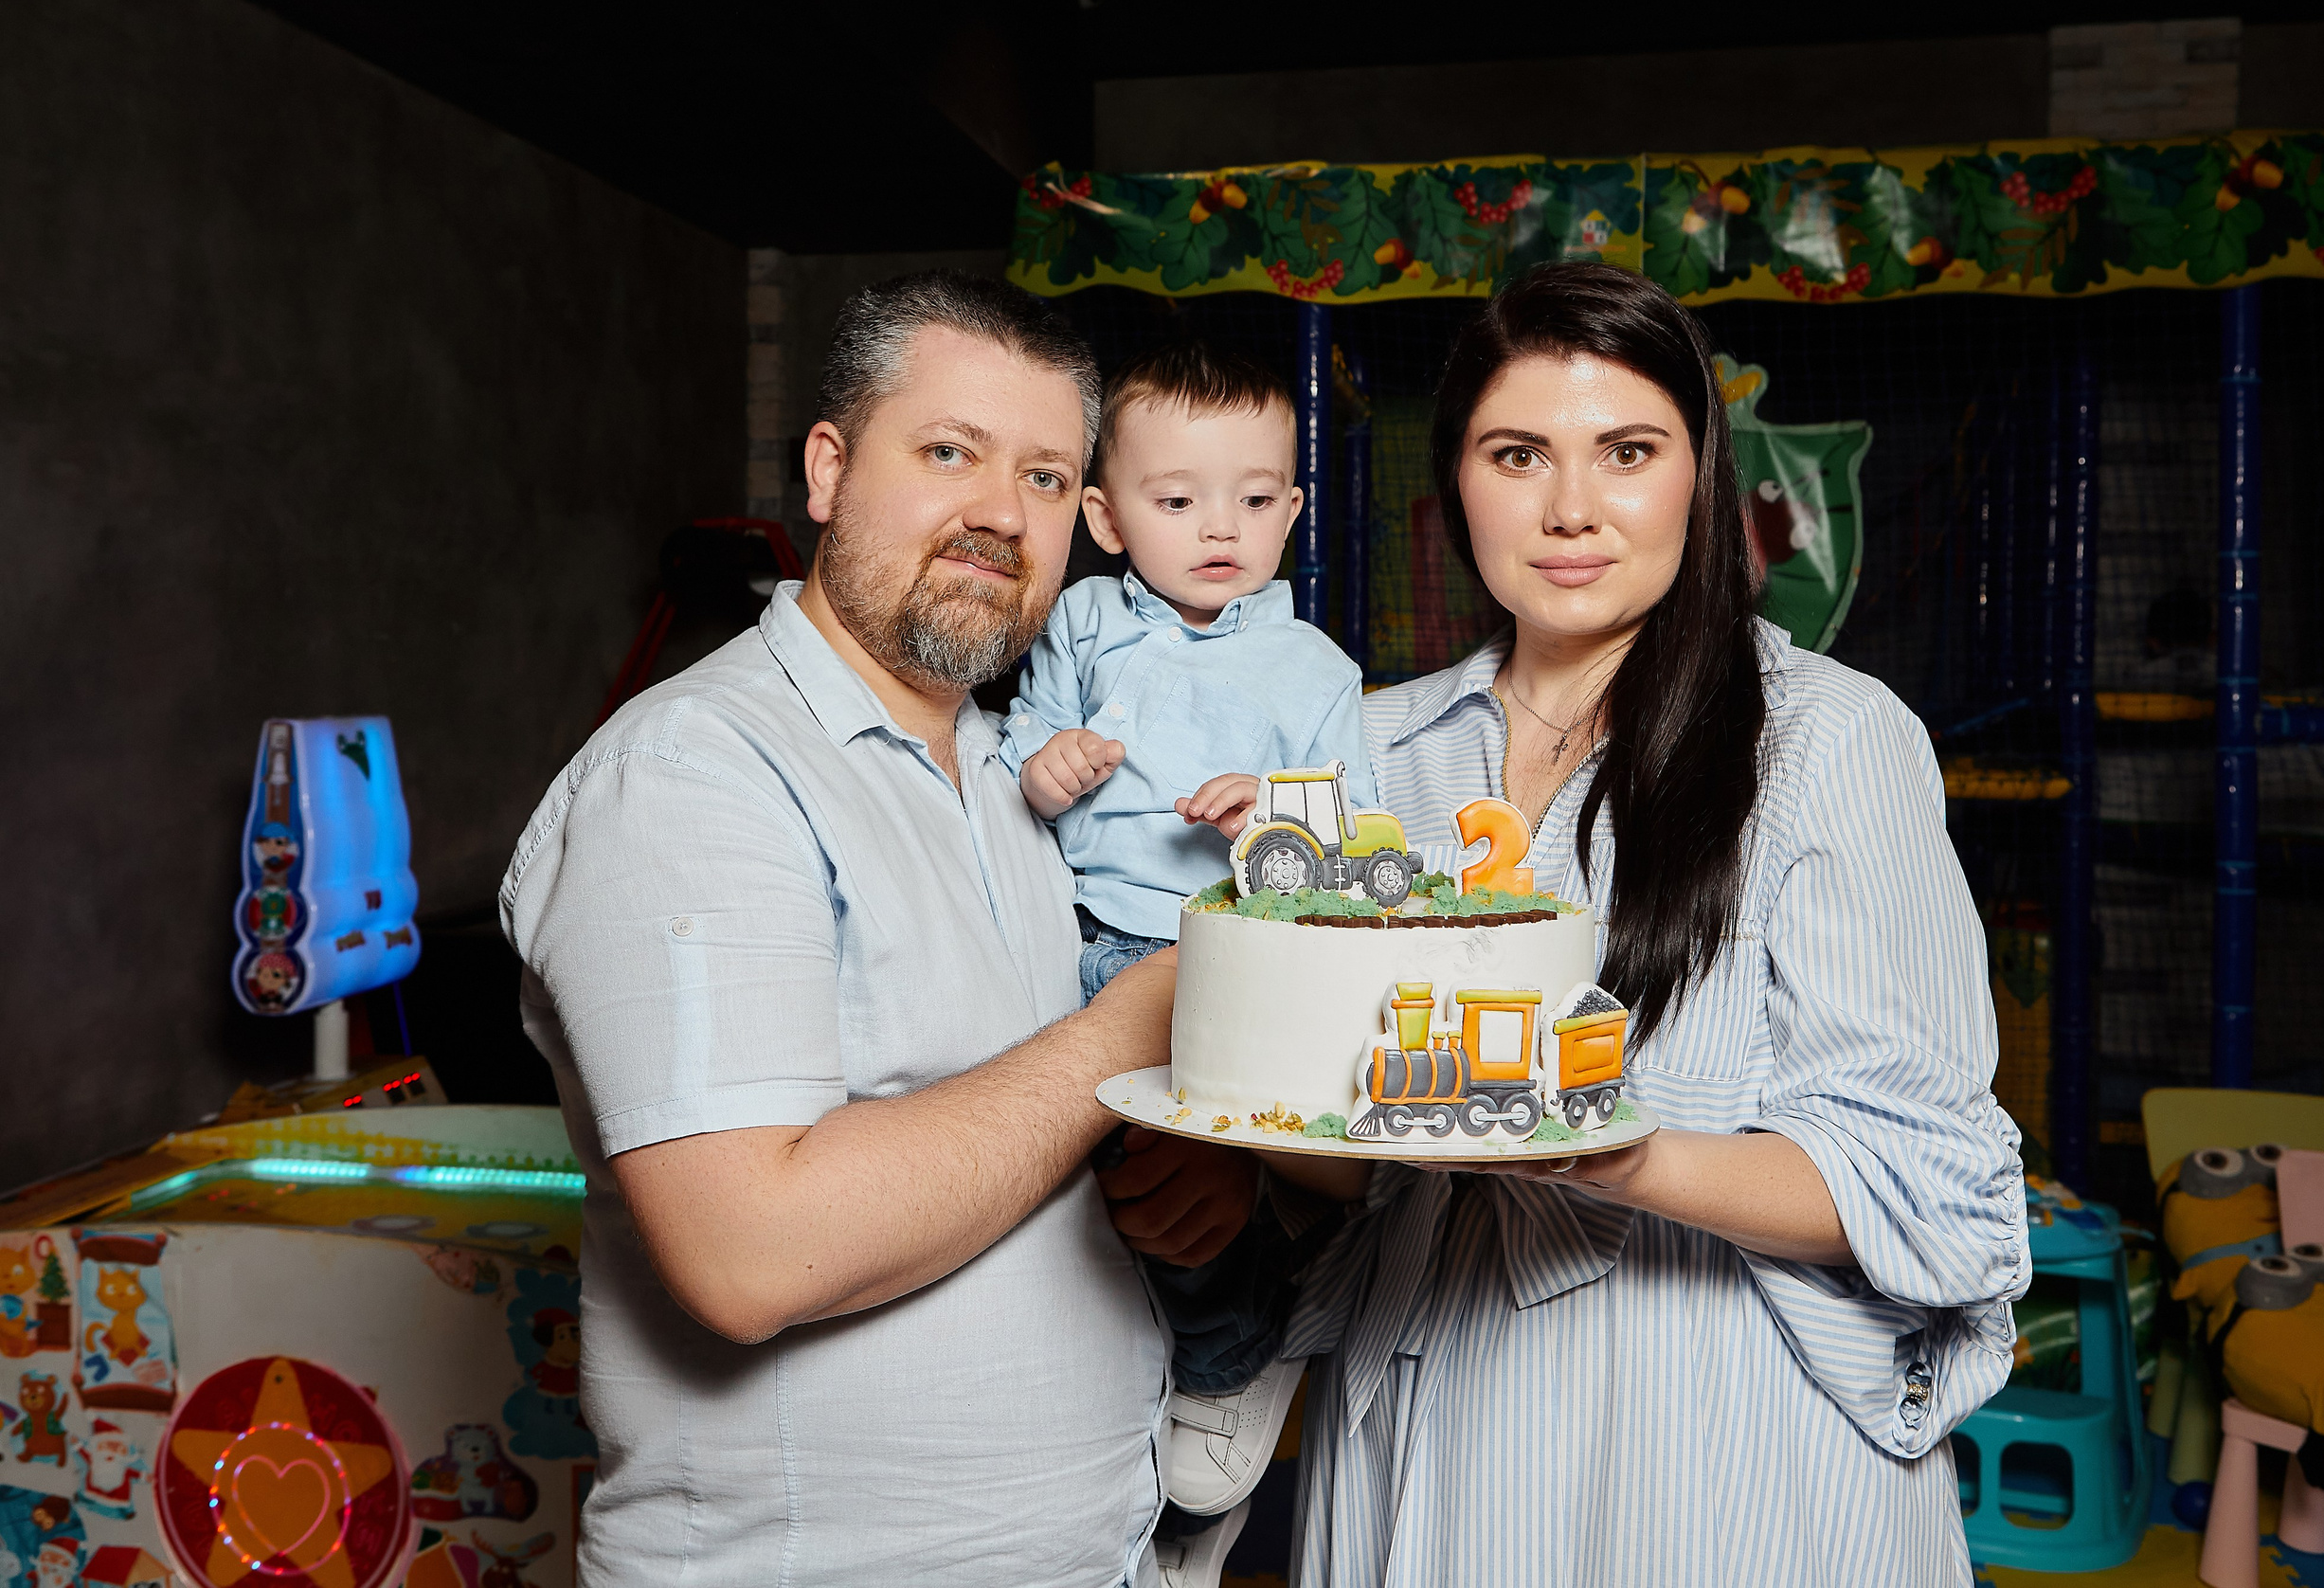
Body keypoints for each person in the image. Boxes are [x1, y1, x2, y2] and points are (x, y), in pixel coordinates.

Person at [1123, 262, 2030, 1584]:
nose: (1570, 508)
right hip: (1421, 1408)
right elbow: (1356, 1127)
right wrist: (1244, 1158)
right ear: (1456, 488)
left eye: (1626, 451)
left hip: (1711, 1433)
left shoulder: (1830, 740)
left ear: (1697, 478)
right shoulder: (1366, 752)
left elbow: (1928, 1180)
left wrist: (1617, 1158)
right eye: (1517, 453)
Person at [500, 270, 1176, 1588]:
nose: (999, 514)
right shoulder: (696, 772)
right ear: (827, 470)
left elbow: (995, 1134)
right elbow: (752, 1249)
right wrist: (1129, 1034)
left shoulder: (1016, 779)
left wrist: (1165, 1183)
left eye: (1046, 479)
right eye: (947, 453)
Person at [1002, 341, 1368, 1558]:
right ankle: (1108, 1388)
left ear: (1293, 510)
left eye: (1256, 500)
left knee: (1174, 1173)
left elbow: (1354, 843)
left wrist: (1275, 816)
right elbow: (1022, 752)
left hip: (1229, 955)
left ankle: (1232, 1354)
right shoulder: (1082, 623)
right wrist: (1047, 770)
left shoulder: (1314, 670)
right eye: (1177, 501)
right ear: (1105, 518)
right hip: (1077, 937)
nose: (1221, 527)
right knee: (1053, 1177)